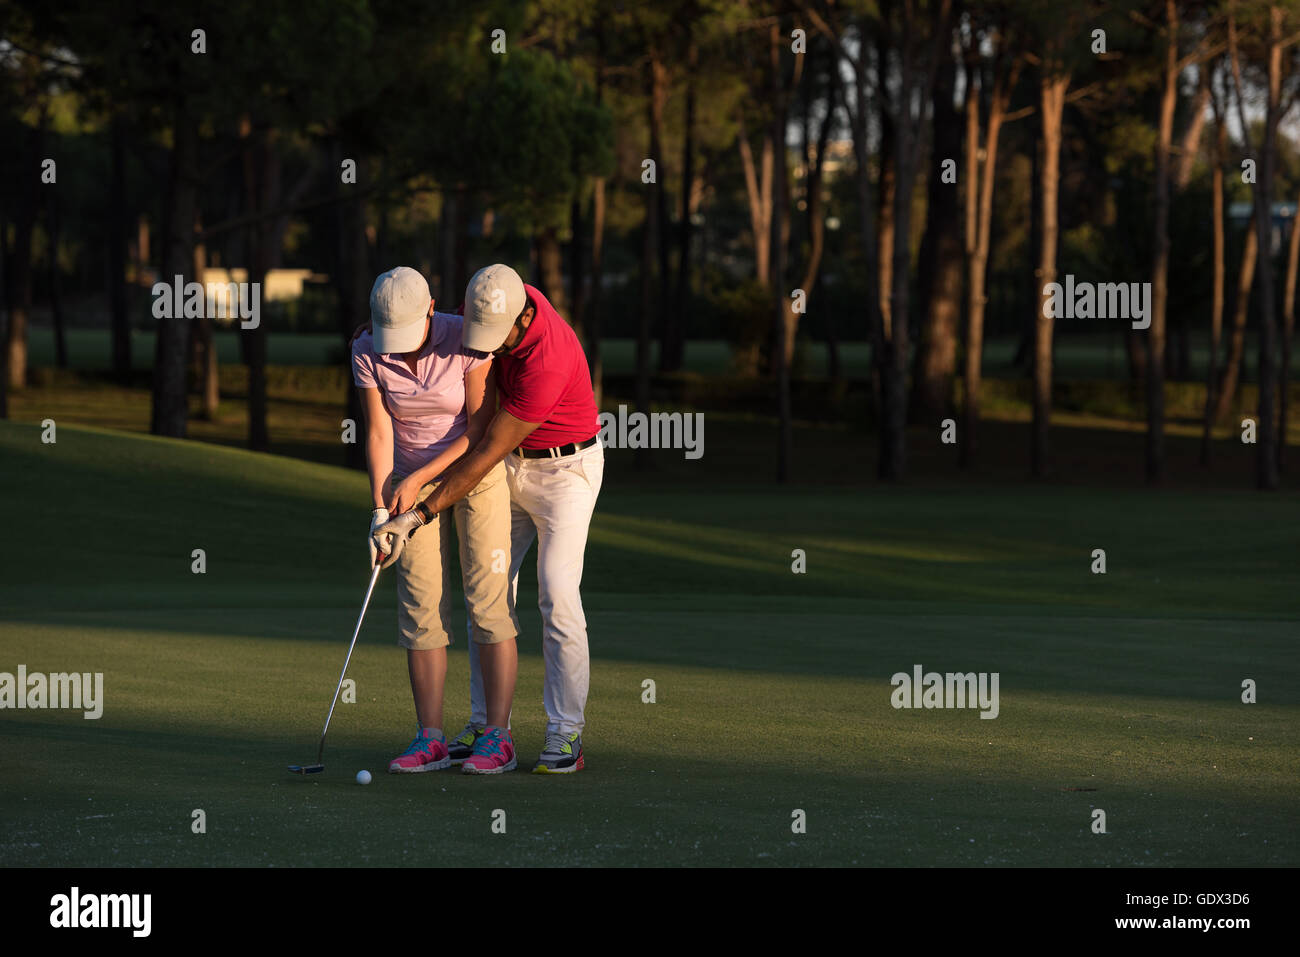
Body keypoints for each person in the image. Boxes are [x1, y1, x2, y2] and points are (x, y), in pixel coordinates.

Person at [373, 264, 602, 774]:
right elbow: (440, 326)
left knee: (555, 590)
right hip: (514, 467)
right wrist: (377, 330)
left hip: (566, 471)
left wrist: (424, 511)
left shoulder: (549, 358)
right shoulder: (494, 299)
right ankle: (483, 724)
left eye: (496, 341)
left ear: (522, 319)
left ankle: (567, 733)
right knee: (492, 591)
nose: (487, 348)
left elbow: (484, 452)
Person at [354, 266, 519, 775]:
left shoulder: (464, 341)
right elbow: (380, 434)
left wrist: (421, 479)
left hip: (474, 474)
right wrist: (381, 512)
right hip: (405, 483)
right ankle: (432, 739)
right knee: (419, 605)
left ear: (431, 310)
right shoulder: (366, 351)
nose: (398, 351)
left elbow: (478, 428)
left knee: (486, 599)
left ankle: (498, 737)